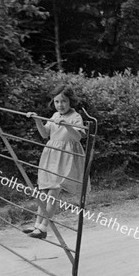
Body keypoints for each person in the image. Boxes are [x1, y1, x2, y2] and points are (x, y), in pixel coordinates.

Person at [23, 84, 89, 239]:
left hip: (66, 156)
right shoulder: (54, 116)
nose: (60, 105)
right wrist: (37, 120)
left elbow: (78, 137)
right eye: (57, 102)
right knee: (44, 191)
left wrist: (67, 125)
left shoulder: (75, 117)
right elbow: (45, 134)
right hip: (52, 155)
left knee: (53, 191)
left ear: (70, 101)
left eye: (64, 101)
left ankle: (44, 227)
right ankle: (37, 225)